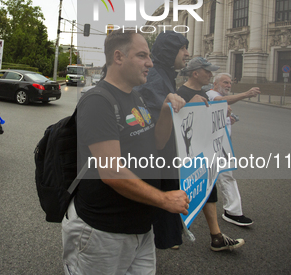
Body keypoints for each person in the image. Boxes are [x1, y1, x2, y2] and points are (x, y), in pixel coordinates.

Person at [62, 28, 189, 274]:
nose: (150, 63)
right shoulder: (98, 101)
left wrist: (165, 111)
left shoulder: (136, 97)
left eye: (150, 56)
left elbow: (157, 144)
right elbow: (111, 172)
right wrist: (164, 199)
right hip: (103, 230)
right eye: (142, 56)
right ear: (118, 57)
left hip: (140, 226)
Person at [177, 57, 245, 251]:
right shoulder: (181, 92)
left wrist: (222, 112)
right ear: (195, 73)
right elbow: (178, 123)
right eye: (207, 71)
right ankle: (171, 233)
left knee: (209, 191)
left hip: (204, 154)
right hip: (186, 157)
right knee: (182, 192)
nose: (210, 74)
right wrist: (189, 104)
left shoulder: (204, 92)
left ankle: (216, 236)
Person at [135, 31, 190, 250]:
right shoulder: (157, 77)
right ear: (170, 51)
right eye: (183, 48)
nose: (187, 53)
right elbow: (158, 136)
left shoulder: (163, 74)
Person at [207, 73, 260, 227]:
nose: (229, 85)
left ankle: (233, 212)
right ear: (216, 83)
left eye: (230, 83)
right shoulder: (211, 94)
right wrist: (247, 94)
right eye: (225, 82)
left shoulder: (219, 97)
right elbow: (220, 101)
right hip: (212, 146)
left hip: (223, 145)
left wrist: (229, 120)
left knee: (226, 176)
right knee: (202, 179)